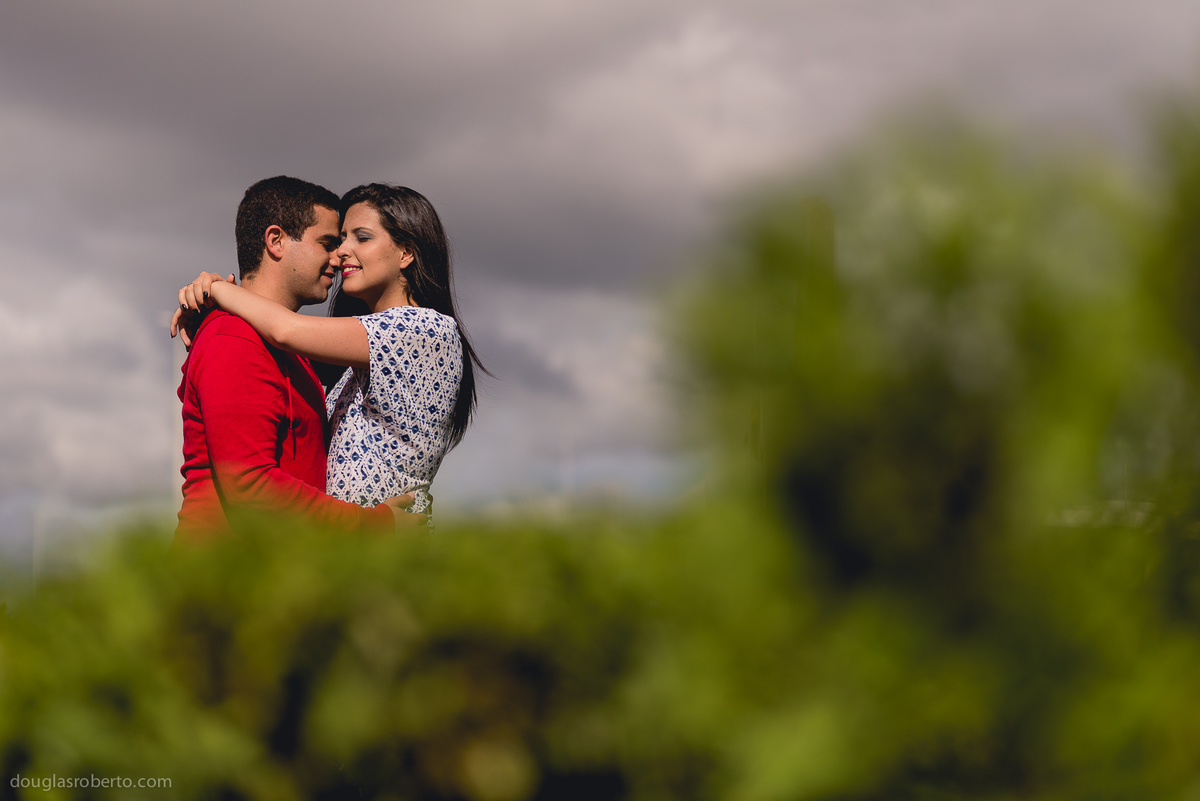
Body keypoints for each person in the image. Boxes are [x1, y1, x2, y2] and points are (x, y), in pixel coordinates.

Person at [174, 183, 484, 520]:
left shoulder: (421, 328)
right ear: (275, 241)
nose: (339, 254)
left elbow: (286, 329)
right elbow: (249, 484)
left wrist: (216, 290)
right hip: (345, 548)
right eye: (332, 242)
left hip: (381, 549)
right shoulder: (243, 338)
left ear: (405, 253)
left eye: (360, 238)